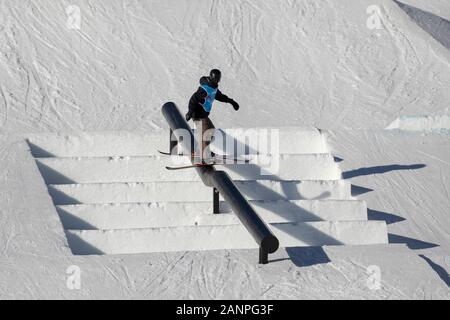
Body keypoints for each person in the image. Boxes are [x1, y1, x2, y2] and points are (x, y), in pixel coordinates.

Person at [186, 69, 240, 162]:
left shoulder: (213, 87)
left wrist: (232, 102)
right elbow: (193, 99)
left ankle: (205, 151)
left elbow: (220, 96)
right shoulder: (205, 89)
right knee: (207, 133)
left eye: (218, 79)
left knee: (211, 131)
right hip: (198, 114)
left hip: (203, 115)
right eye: (216, 79)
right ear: (211, 78)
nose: (217, 81)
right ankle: (203, 157)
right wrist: (190, 112)